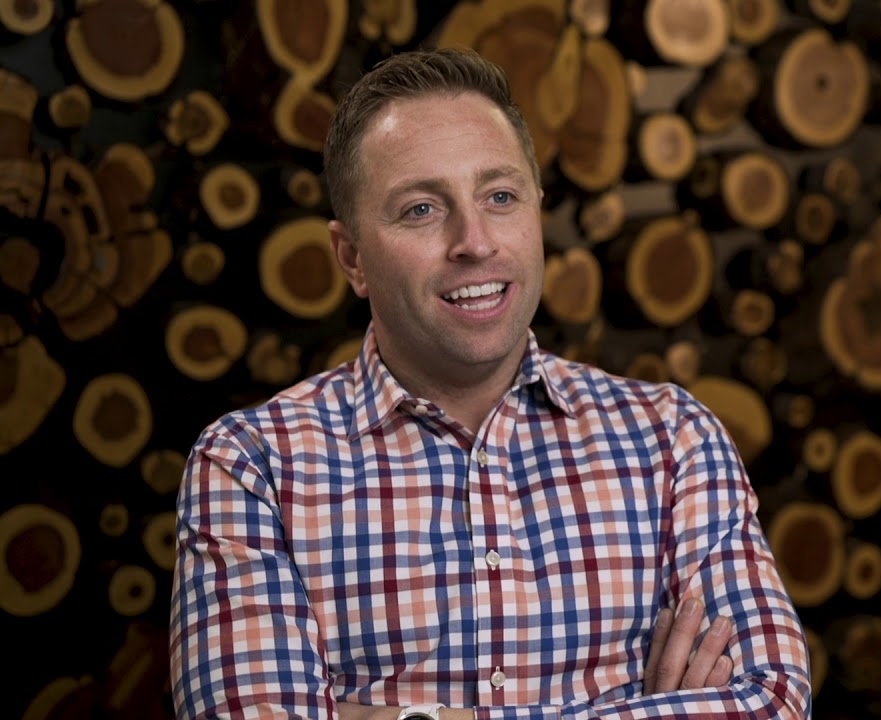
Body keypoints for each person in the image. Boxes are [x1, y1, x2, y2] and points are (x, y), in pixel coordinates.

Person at [169, 47, 811, 720]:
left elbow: (771, 702)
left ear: (536, 211)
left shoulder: (673, 438)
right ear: (352, 258)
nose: (474, 241)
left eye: (499, 197)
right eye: (421, 209)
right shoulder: (250, 466)